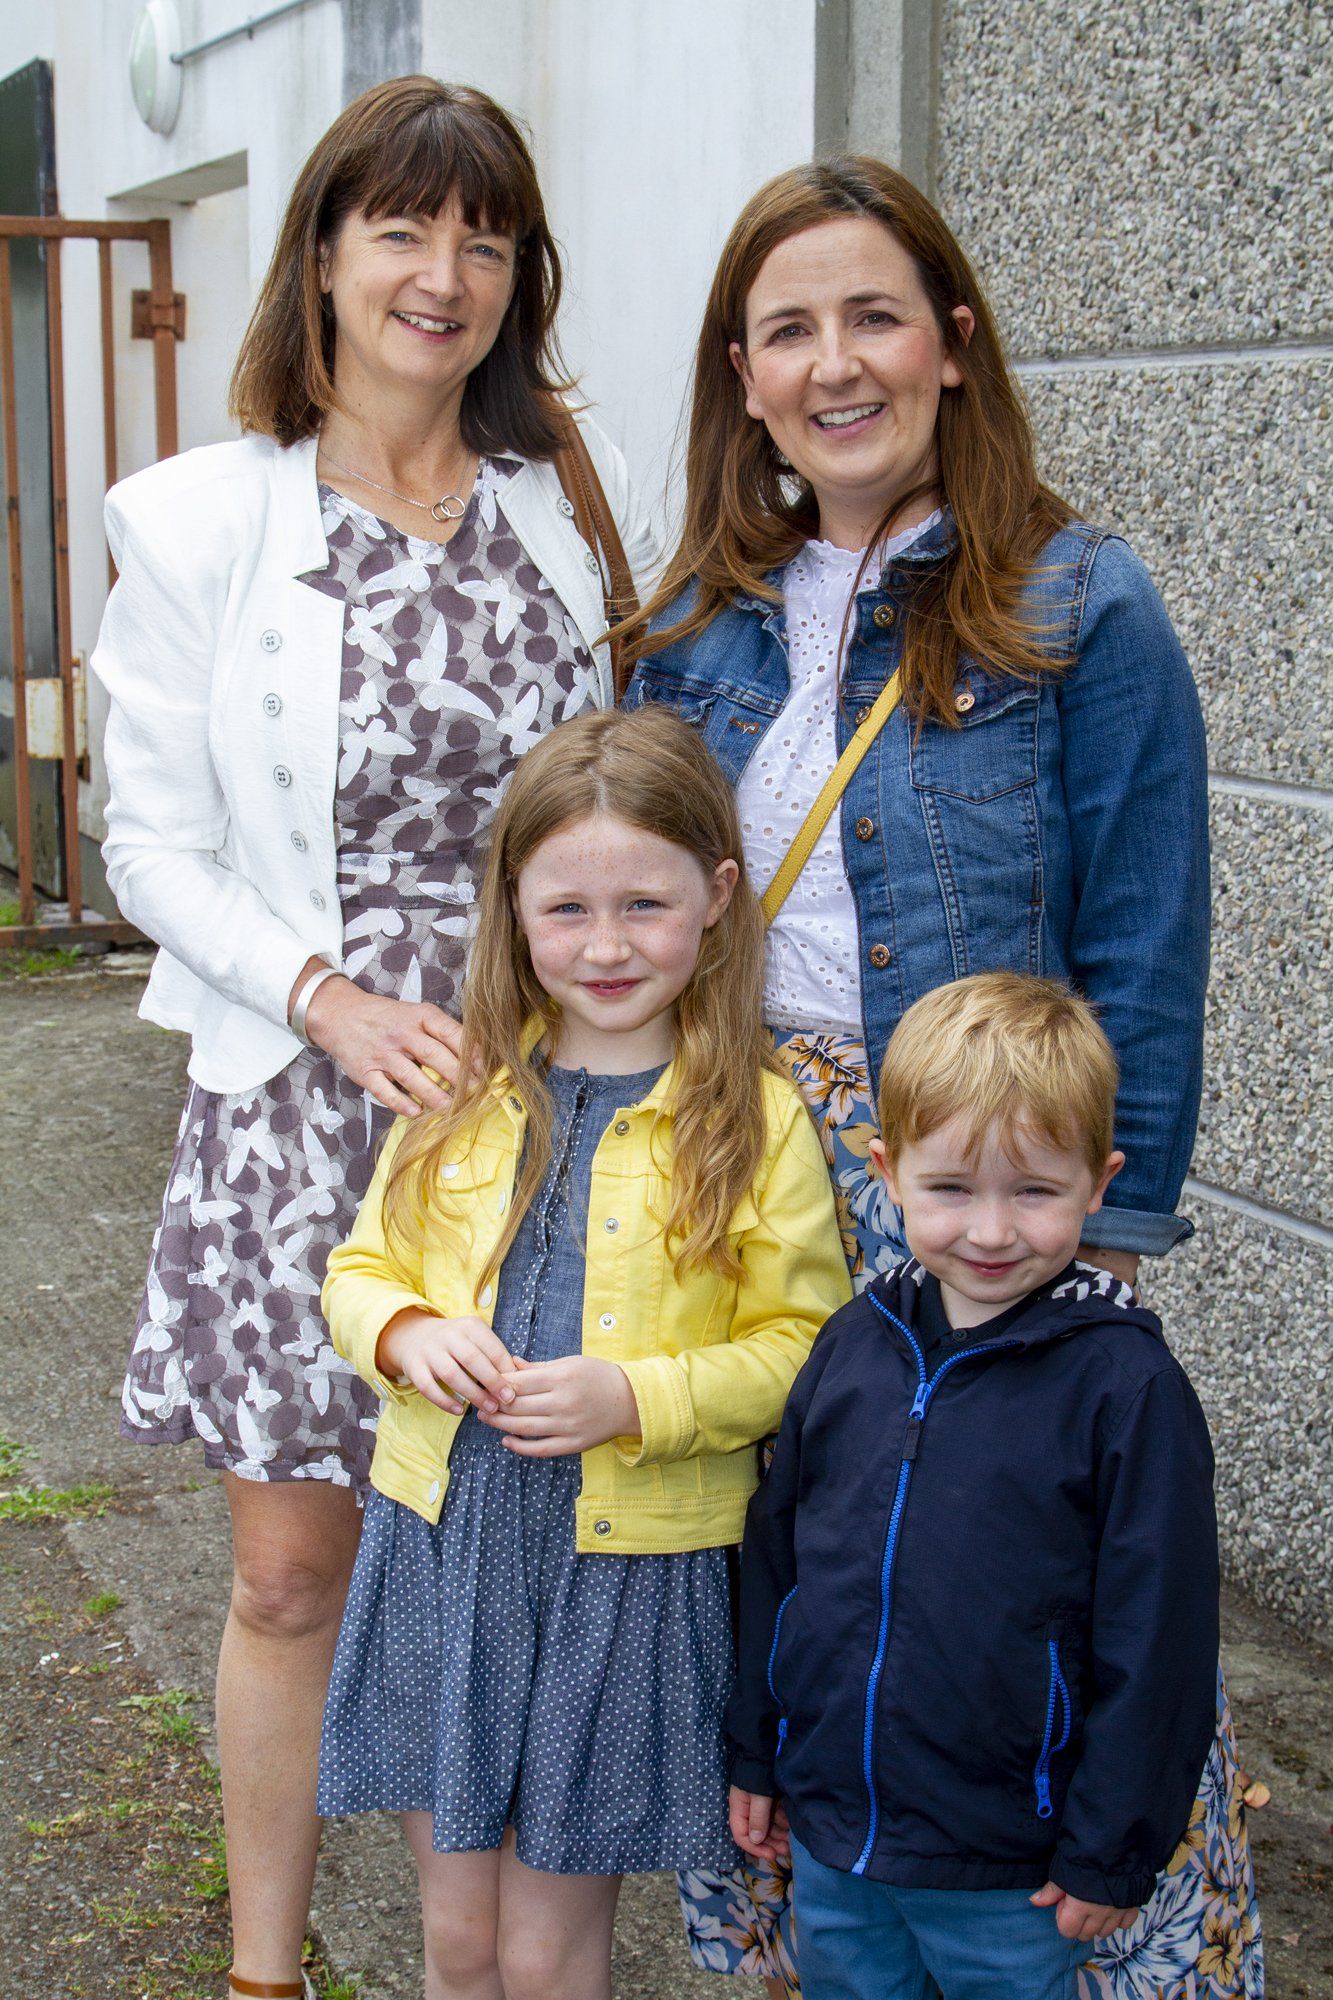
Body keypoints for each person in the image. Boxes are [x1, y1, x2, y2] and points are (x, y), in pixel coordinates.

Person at [622, 159, 1260, 1997]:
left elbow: (1144, 933)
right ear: (739, 376)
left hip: (971, 1173)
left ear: (952, 346)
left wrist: (1104, 1233)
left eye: (874, 315)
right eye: (787, 329)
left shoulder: (1077, 603)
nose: (837, 363)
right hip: (750, 1175)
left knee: (1021, 1596)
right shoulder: (695, 625)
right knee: (796, 1579)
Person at [91, 77, 657, 2000]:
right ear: (321, 254)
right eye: (402, 229)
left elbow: (619, 789)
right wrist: (324, 998)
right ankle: (262, 1969)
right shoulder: (195, 517)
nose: (444, 272)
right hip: (299, 1100)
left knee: (480, 1570)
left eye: (484, 235)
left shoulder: (560, 515)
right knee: (290, 1576)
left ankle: (473, 1963)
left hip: (523, 1112)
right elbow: (143, 838)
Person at [316, 705, 850, 2000]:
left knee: (549, 1954)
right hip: (448, 1542)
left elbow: (804, 1347)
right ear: (511, 908)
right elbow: (359, 1269)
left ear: (717, 896)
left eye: (644, 905)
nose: (606, 946)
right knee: (457, 1946)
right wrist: (407, 1331)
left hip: (620, 1567)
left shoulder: (756, 1121)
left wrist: (637, 1396)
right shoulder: (461, 1092)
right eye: (566, 910)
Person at [726, 972, 1220, 2000]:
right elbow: (778, 1564)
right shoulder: (853, 1348)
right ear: (887, 1170)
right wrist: (759, 1754)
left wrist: (1111, 1847)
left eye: (1033, 1191)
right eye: (951, 1188)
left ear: (1099, 1182)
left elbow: (1158, 1635)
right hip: (836, 1836)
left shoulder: (1125, 1385)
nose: (991, 1231)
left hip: (1013, 1867)